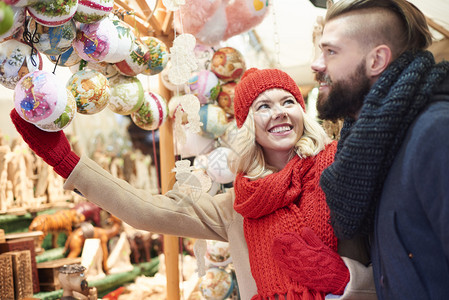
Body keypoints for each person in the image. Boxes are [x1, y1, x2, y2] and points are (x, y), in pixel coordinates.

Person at [10, 68, 375, 299]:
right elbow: (147, 211)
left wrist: (346, 281)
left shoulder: (340, 172)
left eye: (288, 101)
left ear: (301, 112)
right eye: (263, 106)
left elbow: (398, 247)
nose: (278, 111)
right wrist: (66, 161)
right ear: (248, 126)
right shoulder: (236, 207)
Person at [309, 0, 449, 299]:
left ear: (376, 61)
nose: (317, 65)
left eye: (331, 51)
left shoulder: (435, 133)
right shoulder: (371, 151)